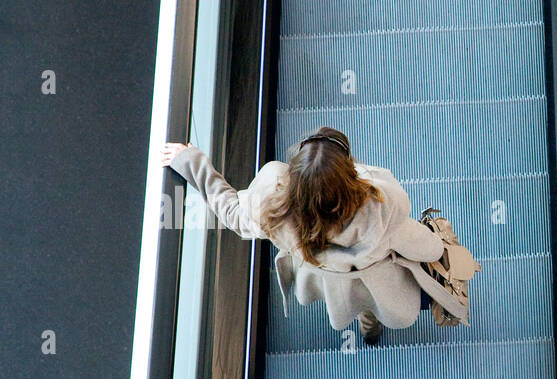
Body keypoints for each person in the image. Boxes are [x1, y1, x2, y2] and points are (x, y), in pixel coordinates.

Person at [160, 126, 446, 344]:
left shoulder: (272, 209)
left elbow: (232, 213)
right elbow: (420, 243)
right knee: (372, 300)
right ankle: (371, 331)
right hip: (377, 279)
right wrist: (436, 248)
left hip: (333, 284)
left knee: (354, 300)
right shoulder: (380, 205)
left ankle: (367, 329)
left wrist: (191, 161)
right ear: (348, 176)